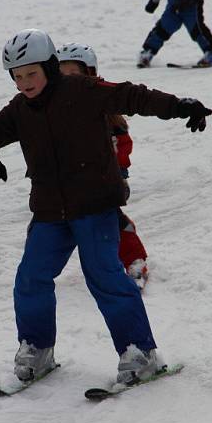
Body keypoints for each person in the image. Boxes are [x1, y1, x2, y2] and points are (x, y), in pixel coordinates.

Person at [0, 29, 212, 385]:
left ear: (50, 67)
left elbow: (132, 96)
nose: (24, 83)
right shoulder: (21, 109)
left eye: (30, 74)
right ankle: (37, 348)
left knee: (104, 277)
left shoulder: (81, 91)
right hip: (50, 211)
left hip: (95, 205)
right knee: (31, 278)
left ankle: (140, 352)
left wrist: (179, 106)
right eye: (17, 76)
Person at [56, 42, 150, 288]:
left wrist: (117, 173)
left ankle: (134, 261)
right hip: (66, 187)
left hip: (104, 182)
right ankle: (37, 273)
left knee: (114, 223)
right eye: (61, 74)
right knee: (56, 228)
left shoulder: (101, 108)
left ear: (89, 74)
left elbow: (121, 143)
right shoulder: (52, 109)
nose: (67, 80)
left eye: (73, 73)